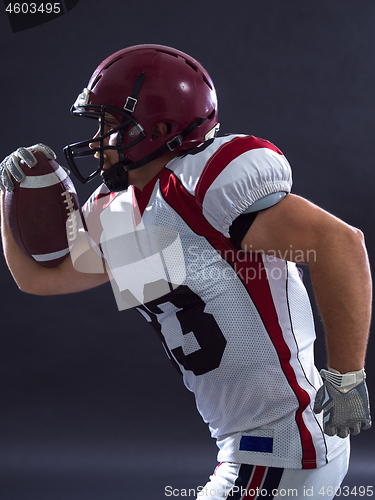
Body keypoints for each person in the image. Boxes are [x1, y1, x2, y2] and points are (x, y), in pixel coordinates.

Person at [0, 44, 372, 499]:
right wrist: (9, 199)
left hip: (283, 443)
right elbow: (40, 278)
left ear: (157, 130)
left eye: (111, 125)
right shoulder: (120, 210)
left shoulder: (203, 183)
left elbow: (340, 244)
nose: (97, 140)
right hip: (245, 446)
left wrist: (347, 376)